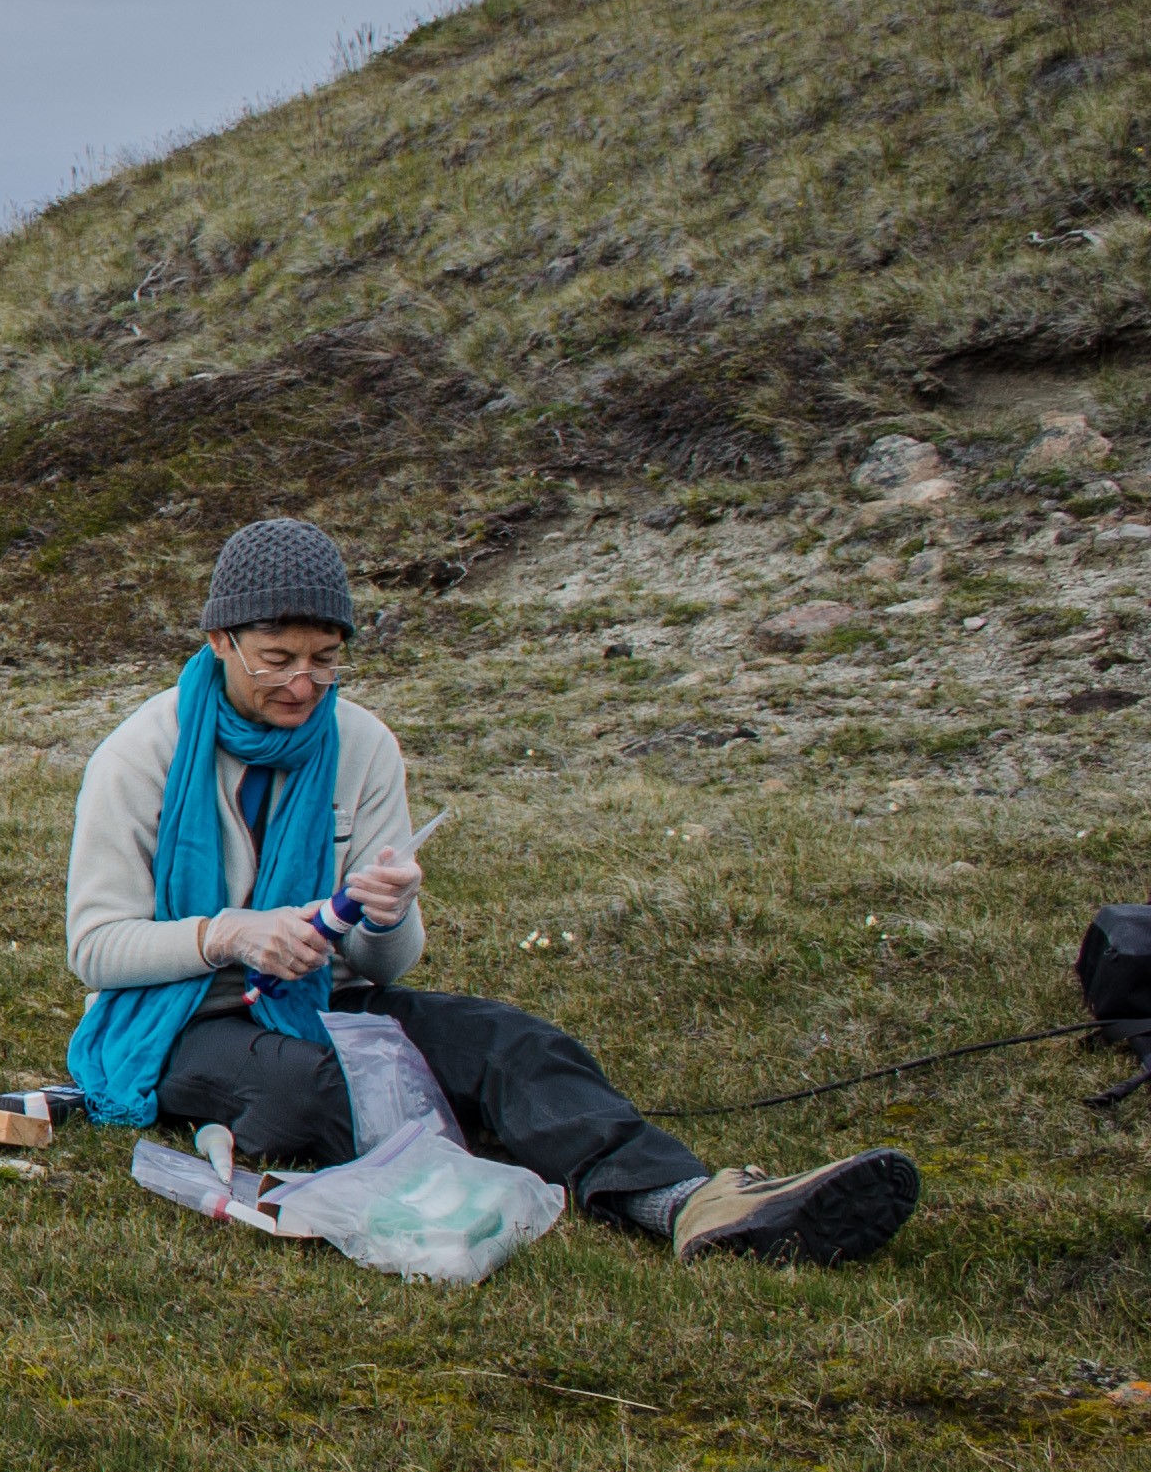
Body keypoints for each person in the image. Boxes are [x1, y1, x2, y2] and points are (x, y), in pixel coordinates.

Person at [64, 517, 920, 1265]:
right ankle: (522, 1155)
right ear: (219, 641)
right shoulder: (141, 752)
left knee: (514, 1044)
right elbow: (95, 948)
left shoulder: (361, 747)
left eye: (326, 661)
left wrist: (387, 914)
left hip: (322, 995)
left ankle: (689, 1201)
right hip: (182, 1021)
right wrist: (231, 936)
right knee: (317, 1088)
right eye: (276, 660)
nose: (303, 685)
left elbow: (387, 964)